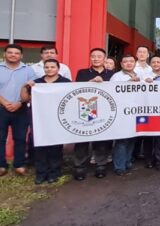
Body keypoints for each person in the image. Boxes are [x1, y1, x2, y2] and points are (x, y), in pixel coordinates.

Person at [0, 44, 37, 177]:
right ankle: (1, 166)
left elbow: (33, 89)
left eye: (16, 53)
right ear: (4, 54)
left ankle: (19, 165)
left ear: (21, 56)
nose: (13, 55)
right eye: (10, 52)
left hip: (20, 108)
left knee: (20, 138)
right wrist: (5, 103)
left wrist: (19, 102)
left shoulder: (28, 70)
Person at [21, 59, 70, 184]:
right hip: (39, 118)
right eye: (47, 67)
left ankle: (54, 172)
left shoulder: (65, 82)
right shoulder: (37, 83)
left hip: (57, 118)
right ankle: (41, 173)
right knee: (40, 145)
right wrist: (24, 86)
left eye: (52, 67)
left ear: (58, 69)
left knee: (55, 145)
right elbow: (25, 99)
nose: (49, 69)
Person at [72, 48, 114, 180]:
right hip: (86, 108)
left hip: (105, 109)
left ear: (104, 59)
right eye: (93, 56)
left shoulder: (112, 74)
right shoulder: (82, 73)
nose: (96, 59)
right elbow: (75, 90)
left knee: (101, 138)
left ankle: (101, 165)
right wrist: (89, 83)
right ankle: (79, 167)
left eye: (99, 56)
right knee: (82, 139)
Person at [110, 54, 141, 176]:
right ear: (121, 64)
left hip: (136, 112)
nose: (128, 63)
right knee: (122, 140)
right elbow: (113, 92)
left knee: (132, 138)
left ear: (135, 63)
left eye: (131, 61)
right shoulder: (116, 76)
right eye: (125, 61)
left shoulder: (139, 75)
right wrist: (128, 82)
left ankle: (127, 162)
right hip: (122, 112)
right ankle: (119, 166)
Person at [133, 46, 154, 166]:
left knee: (148, 132)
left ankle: (148, 158)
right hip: (134, 104)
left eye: (144, 52)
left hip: (148, 104)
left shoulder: (150, 69)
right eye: (139, 51)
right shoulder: (131, 66)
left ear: (147, 55)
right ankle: (132, 155)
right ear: (136, 54)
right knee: (134, 131)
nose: (141, 54)